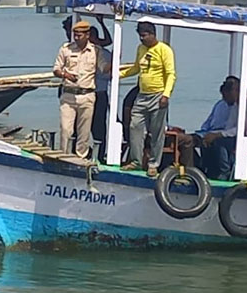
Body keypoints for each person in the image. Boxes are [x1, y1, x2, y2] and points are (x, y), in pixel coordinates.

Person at [120, 21, 175, 177]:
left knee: (157, 132)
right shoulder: (141, 49)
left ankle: (153, 164)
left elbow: (171, 74)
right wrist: (120, 75)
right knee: (134, 126)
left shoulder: (164, 50)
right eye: (140, 36)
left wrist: (166, 94)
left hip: (158, 95)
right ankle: (136, 161)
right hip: (142, 96)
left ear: (152, 34)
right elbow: (137, 68)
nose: (142, 39)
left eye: (144, 36)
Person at [53, 19, 109, 158]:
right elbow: (56, 69)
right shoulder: (66, 49)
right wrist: (65, 74)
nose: (77, 38)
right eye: (75, 34)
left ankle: (81, 156)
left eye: (80, 35)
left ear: (87, 35)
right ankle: (65, 155)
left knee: (84, 131)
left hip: (87, 95)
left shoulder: (96, 51)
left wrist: (114, 61)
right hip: (69, 94)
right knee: (66, 129)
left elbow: (103, 69)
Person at [194, 76, 247, 180]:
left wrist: (218, 135)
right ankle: (209, 170)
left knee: (220, 142)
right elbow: (229, 128)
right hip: (241, 137)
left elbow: (240, 129)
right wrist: (211, 135)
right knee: (210, 141)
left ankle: (225, 172)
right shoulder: (235, 107)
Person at [89, 19, 113, 162]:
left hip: (99, 93)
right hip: (87, 93)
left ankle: (99, 154)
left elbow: (105, 73)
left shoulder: (102, 53)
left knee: (98, 126)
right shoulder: (83, 53)